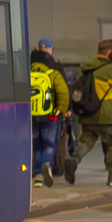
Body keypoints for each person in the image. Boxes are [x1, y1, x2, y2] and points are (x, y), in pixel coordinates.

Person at [71, 38, 112, 188]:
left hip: (88, 113)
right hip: (106, 115)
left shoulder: (87, 68)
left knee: (87, 142)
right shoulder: (109, 70)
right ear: (110, 53)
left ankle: (74, 160)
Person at [30, 38, 69, 188]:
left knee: (36, 143)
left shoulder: (29, 69)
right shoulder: (54, 69)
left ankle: (38, 175)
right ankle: (47, 164)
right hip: (50, 114)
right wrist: (62, 109)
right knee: (49, 143)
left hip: (32, 113)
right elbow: (63, 91)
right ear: (50, 50)